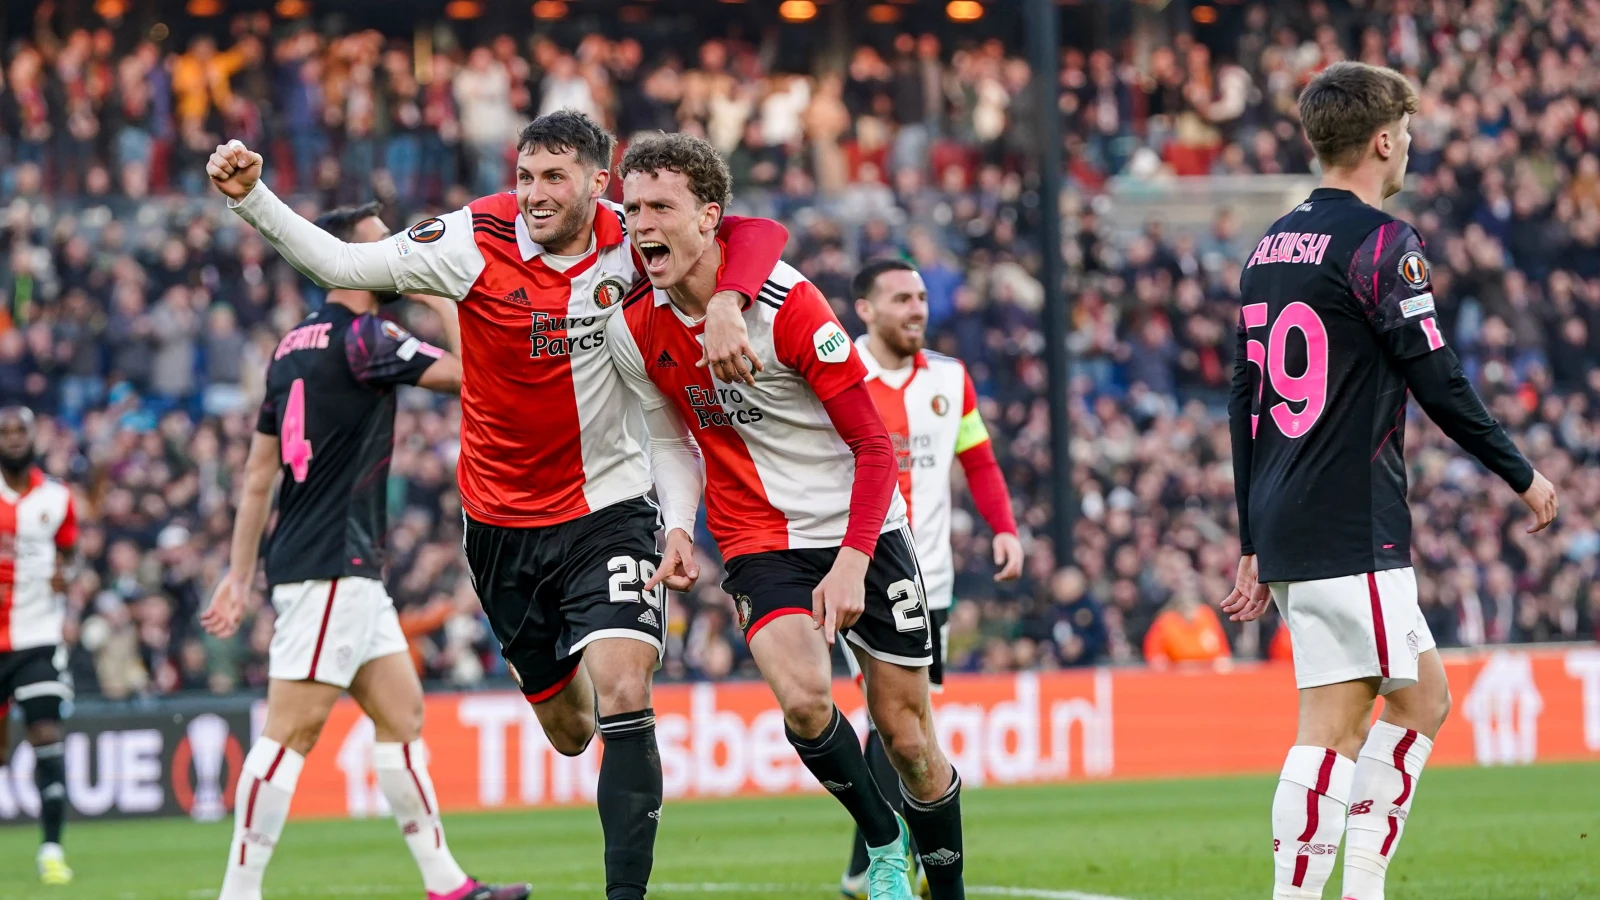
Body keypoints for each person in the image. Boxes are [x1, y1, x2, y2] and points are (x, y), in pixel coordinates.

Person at [206, 110, 788, 900]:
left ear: (597, 182)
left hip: (608, 506)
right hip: (500, 528)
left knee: (623, 688)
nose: (534, 195)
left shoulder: (633, 235)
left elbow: (751, 235)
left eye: (554, 178)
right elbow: (341, 259)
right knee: (573, 730)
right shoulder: (470, 237)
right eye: (525, 177)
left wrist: (728, 301)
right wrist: (254, 199)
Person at [1223, 61, 1559, 900]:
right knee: (1334, 729)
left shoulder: (1270, 248)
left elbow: (1244, 400)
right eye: (1405, 133)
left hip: (1290, 514)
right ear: (1382, 140)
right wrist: (1520, 473)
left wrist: (1250, 537)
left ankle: (1362, 887)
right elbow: (1437, 380)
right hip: (1351, 521)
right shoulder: (1382, 244)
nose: (1408, 147)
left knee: (1423, 701)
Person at [606, 133, 963, 900]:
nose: (639, 224)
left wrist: (853, 561)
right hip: (758, 539)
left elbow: (874, 447)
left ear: (709, 218)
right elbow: (671, 441)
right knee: (805, 703)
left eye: (660, 207)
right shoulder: (632, 324)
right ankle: (881, 839)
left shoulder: (790, 305)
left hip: (863, 528)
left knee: (908, 741)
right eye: (632, 207)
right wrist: (675, 526)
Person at [198, 204, 527, 900]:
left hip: (339, 569)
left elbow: (259, 473)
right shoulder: (367, 337)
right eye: (384, 246)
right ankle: (238, 892)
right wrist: (442, 298)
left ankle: (445, 883)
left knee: (402, 715)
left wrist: (238, 573)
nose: (399, 255)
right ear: (347, 258)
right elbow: (478, 377)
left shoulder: (291, 345)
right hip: (330, 568)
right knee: (290, 731)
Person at [839, 259, 1023, 900]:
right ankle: (878, 862)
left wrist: (1003, 526)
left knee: (902, 720)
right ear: (865, 309)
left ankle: (876, 858)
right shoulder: (839, 370)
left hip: (931, 580)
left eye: (920, 298)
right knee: (893, 716)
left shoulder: (950, 378)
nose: (916, 309)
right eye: (900, 299)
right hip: (856, 573)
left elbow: (977, 457)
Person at [0, 407, 78, 885]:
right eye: (4, 432)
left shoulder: (57, 497)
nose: (12, 439)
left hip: (36, 637)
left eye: (19, 431)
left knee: (46, 736)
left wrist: (63, 576)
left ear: (33, 438)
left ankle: (51, 850)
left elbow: (69, 552)